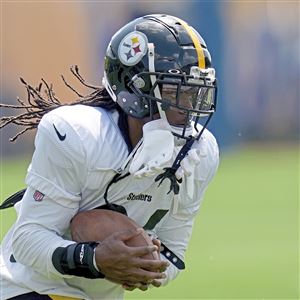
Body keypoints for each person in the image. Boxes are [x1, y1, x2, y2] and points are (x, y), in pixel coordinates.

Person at [0, 14, 219, 300]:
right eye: (174, 93)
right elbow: (28, 240)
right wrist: (94, 259)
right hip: (28, 288)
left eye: (194, 94)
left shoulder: (200, 153)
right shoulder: (78, 135)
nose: (187, 109)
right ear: (135, 90)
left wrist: (143, 264)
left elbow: (174, 256)